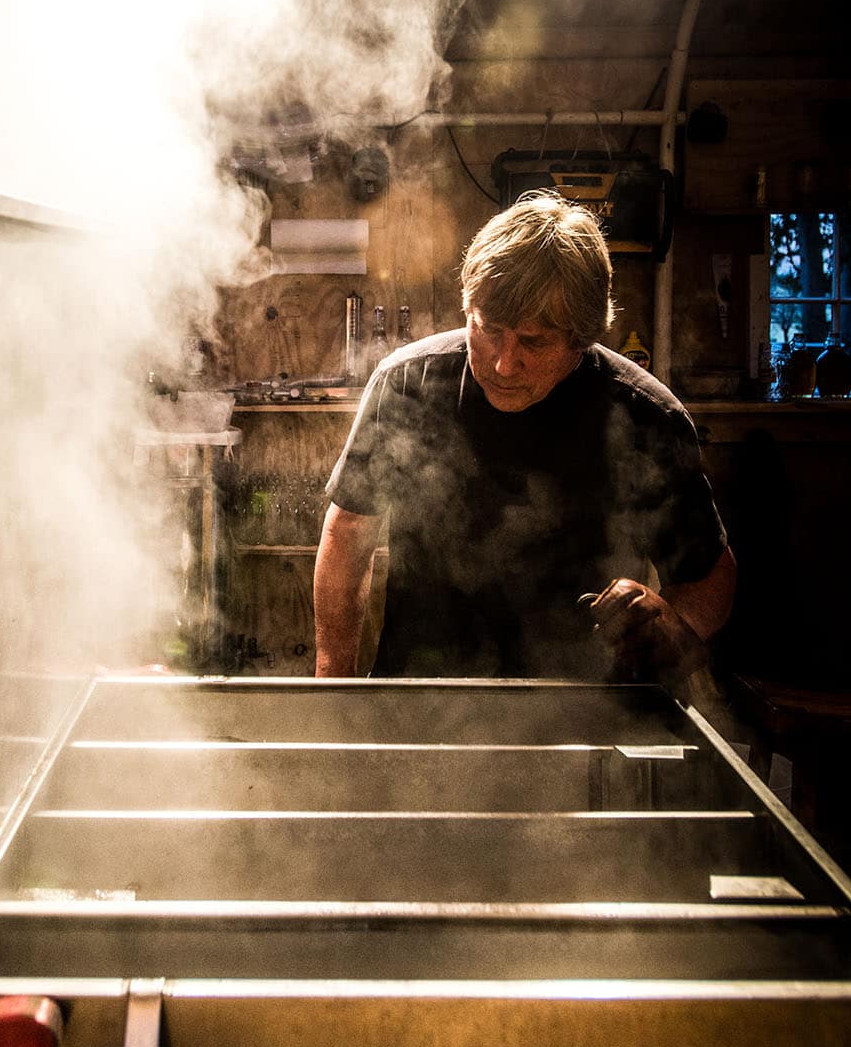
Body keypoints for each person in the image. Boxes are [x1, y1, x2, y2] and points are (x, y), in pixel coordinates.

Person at [313, 191, 736, 686]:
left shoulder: (646, 416)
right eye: (488, 329)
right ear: (467, 308)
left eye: (533, 342)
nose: (502, 363)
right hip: (421, 694)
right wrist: (331, 689)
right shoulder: (408, 384)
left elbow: (710, 575)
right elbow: (348, 536)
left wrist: (673, 625)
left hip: (587, 708)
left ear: (581, 337)